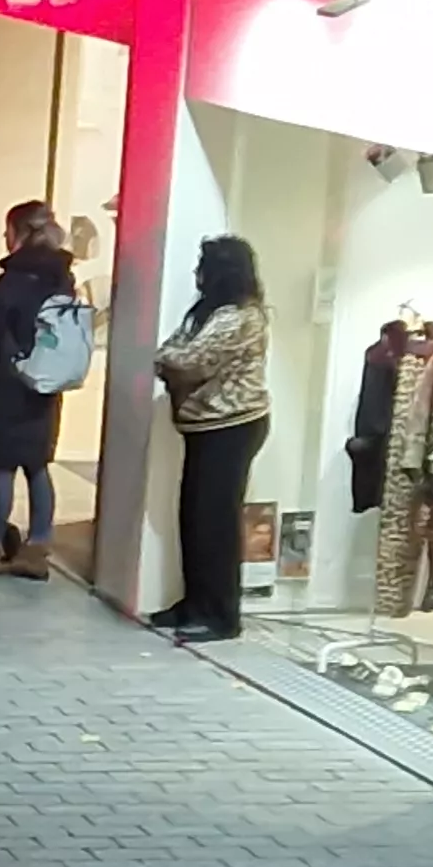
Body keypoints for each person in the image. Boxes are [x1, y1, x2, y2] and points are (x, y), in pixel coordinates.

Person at [0, 202, 83, 579]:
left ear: (20, 233)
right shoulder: (62, 279)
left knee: (1, 464)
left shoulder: (14, 280)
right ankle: (37, 548)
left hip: (5, 385)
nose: (5, 240)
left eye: (8, 232)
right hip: (45, 384)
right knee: (37, 465)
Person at [150, 235, 274, 643]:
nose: (196, 274)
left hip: (233, 426)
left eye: (203, 265)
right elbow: (170, 352)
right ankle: (195, 603)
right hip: (206, 425)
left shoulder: (240, 318)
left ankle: (221, 616)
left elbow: (187, 360)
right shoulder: (208, 315)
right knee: (194, 517)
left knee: (215, 523)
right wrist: (172, 363)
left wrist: (172, 365)